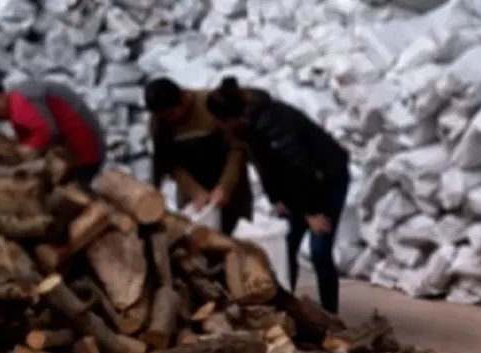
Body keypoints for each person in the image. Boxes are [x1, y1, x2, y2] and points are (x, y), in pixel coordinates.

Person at [205, 76, 351, 314]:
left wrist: (311, 212)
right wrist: (276, 198)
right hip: (300, 185)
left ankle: (330, 315)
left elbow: (300, 167)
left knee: (319, 250)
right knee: (286, 246)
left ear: (229, 118)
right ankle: (287, 309)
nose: (219, 127)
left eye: (220, 122)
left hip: (327, 178)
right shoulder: (247, 127)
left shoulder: (273, 122)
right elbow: (265, 165)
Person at [143, 77, 251, 234]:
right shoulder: (159, 124)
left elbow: (236, 149)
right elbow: (169, 162)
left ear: (183, 98)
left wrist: (225, 186)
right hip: (193, 188)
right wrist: (194, 191)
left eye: (172, 113)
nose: (170, 119)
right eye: (164, 116)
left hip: (229, 182)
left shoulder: (210, 106)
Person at [0, 80, 106, 188]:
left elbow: (46, 131)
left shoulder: (19, 103)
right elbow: (26, 138)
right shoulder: (17, 100)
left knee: (75, 192)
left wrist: (26, 152)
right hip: (78, 147)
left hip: (85, 148)